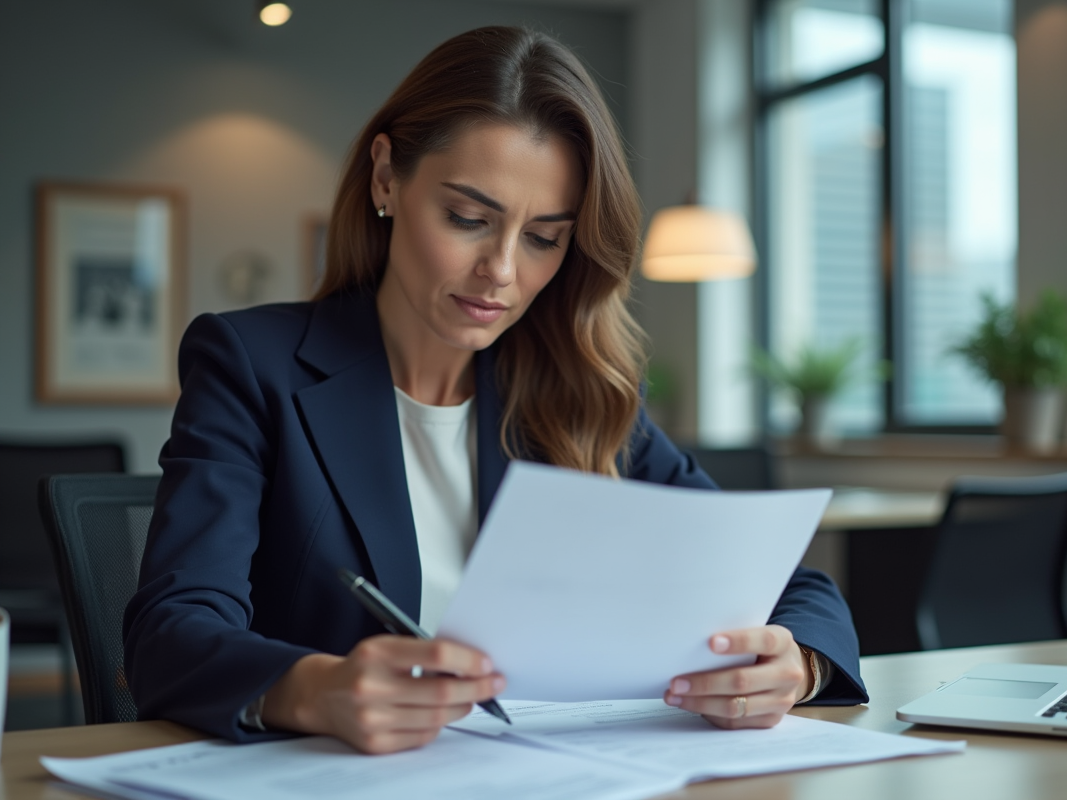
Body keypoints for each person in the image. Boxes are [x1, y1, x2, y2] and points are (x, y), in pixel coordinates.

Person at [123, 25, 867, 755]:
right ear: (386, 177)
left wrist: (796, 664)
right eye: (468, 218)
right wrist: (315, 688)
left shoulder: (581, 391)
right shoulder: (253, 364)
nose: (503, 271)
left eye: (544, 237)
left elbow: (787, 585)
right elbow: (172, 631)